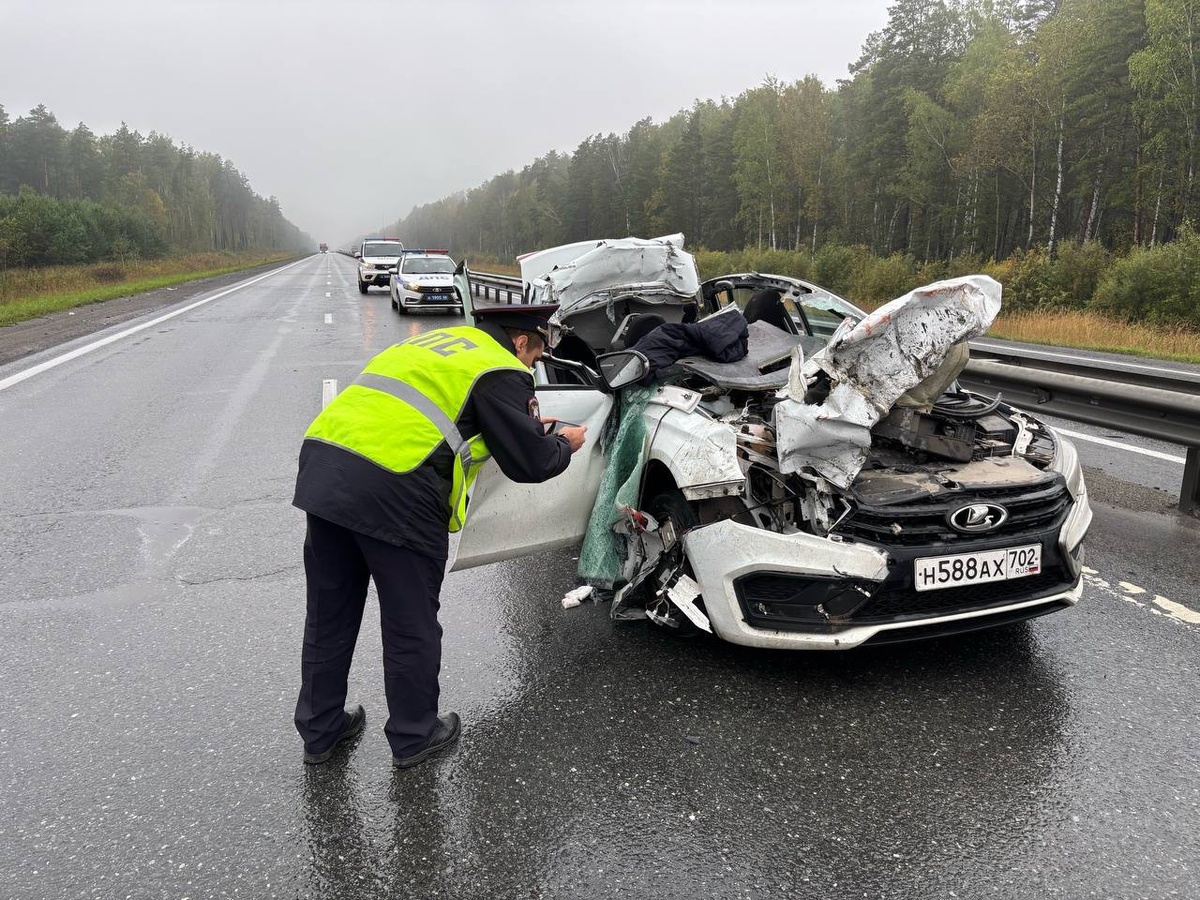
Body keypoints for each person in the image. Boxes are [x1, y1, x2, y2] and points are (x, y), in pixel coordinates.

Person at [292, 304, 587, 768]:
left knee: (329, 612)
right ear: (521, 341)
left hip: (326, 469)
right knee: (410, 621)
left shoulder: (432, 345)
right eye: (535, 355)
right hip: (396, 484)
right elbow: (530, 461)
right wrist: (563, 444)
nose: (531, 366)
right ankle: (414, 736)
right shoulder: (501, 367)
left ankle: (320, 731)